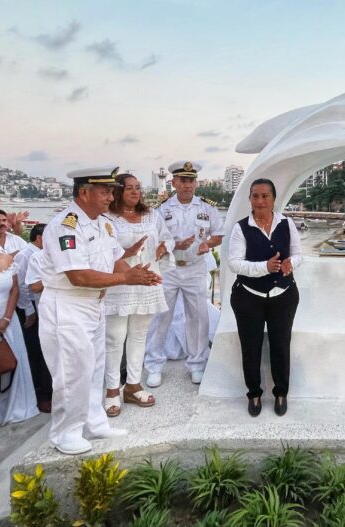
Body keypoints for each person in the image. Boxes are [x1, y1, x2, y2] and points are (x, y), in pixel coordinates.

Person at [39, 167, 162, 455]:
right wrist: (126, 278)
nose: (111, 197)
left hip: (94, 305)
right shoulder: (65, 226)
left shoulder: (103, 224)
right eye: (105, 191)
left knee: (94, 368)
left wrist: (137, 275)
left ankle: (94, 421)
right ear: (84, 192)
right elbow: (79, 276)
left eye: (111, 191)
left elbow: (117, 258)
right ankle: (64, 433)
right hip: (67, 306)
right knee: (72, 372)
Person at [144, 161, 223, 387]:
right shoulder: (162, 210)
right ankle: (154, 365)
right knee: (161, 317)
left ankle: (197, 364)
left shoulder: (207, 209)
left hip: (196, 267)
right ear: (174, 183)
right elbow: (155, 240)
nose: (188, 185)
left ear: (196, 183)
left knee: (198, 318)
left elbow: (218, 234)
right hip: (169, 268)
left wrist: (207, 244)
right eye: (183, 181)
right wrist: (174, 245)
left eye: (191, 181)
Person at [228, 178, 302, 417]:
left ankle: (281, 393)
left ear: (273, 198)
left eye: (265, 196)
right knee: (251, 347)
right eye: (255, 196)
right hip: (249, 296)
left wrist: (292, 263)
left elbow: (299, 254)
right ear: (249, 199)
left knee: (281, 344)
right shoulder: (241, 228)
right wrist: (265, 267)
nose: (260, 201)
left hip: (283, 294)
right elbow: (234, 263)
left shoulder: (287, 223)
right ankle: (255, 394)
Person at [103, 173, 172, 417]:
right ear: (118, 191)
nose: (135, 192)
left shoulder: (152, 215)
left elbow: (167, 238)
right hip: (120, 282)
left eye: (138, 187)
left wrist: (165, 247)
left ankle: (133, 385)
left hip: (147, 280)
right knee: (114, 337)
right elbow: (102, 253)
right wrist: (126, 253)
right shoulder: (107, 218)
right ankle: (112, 389)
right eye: (129, 188)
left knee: (139, 334)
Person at [0, 221, 39, 425]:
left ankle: (16, 405)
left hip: (7, 319)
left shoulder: (6, 259)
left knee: (12, 360)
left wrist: (6, 318)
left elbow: (15, 289)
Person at [13, 223, 52, 413]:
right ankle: (41, 393)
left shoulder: (45, 254)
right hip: (31, 308)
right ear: (39, 238)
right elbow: (22, 285)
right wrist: (29, 310)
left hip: (43, 307)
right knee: (37, 353)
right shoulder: (27, 255)